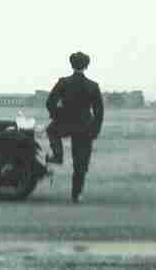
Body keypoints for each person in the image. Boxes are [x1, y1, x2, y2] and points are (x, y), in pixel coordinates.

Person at [45, 51, 104, 203]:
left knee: (51, 130)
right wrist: (95, 130)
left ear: (71, 64)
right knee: (81, 163)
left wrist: (57, 115)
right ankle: (76, 195)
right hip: (85, 126)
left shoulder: (63, 82)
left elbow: (50, 102)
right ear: (87, 66)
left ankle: (57, 155)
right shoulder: (93, 86)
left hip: (64, 122)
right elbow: (99, 112)